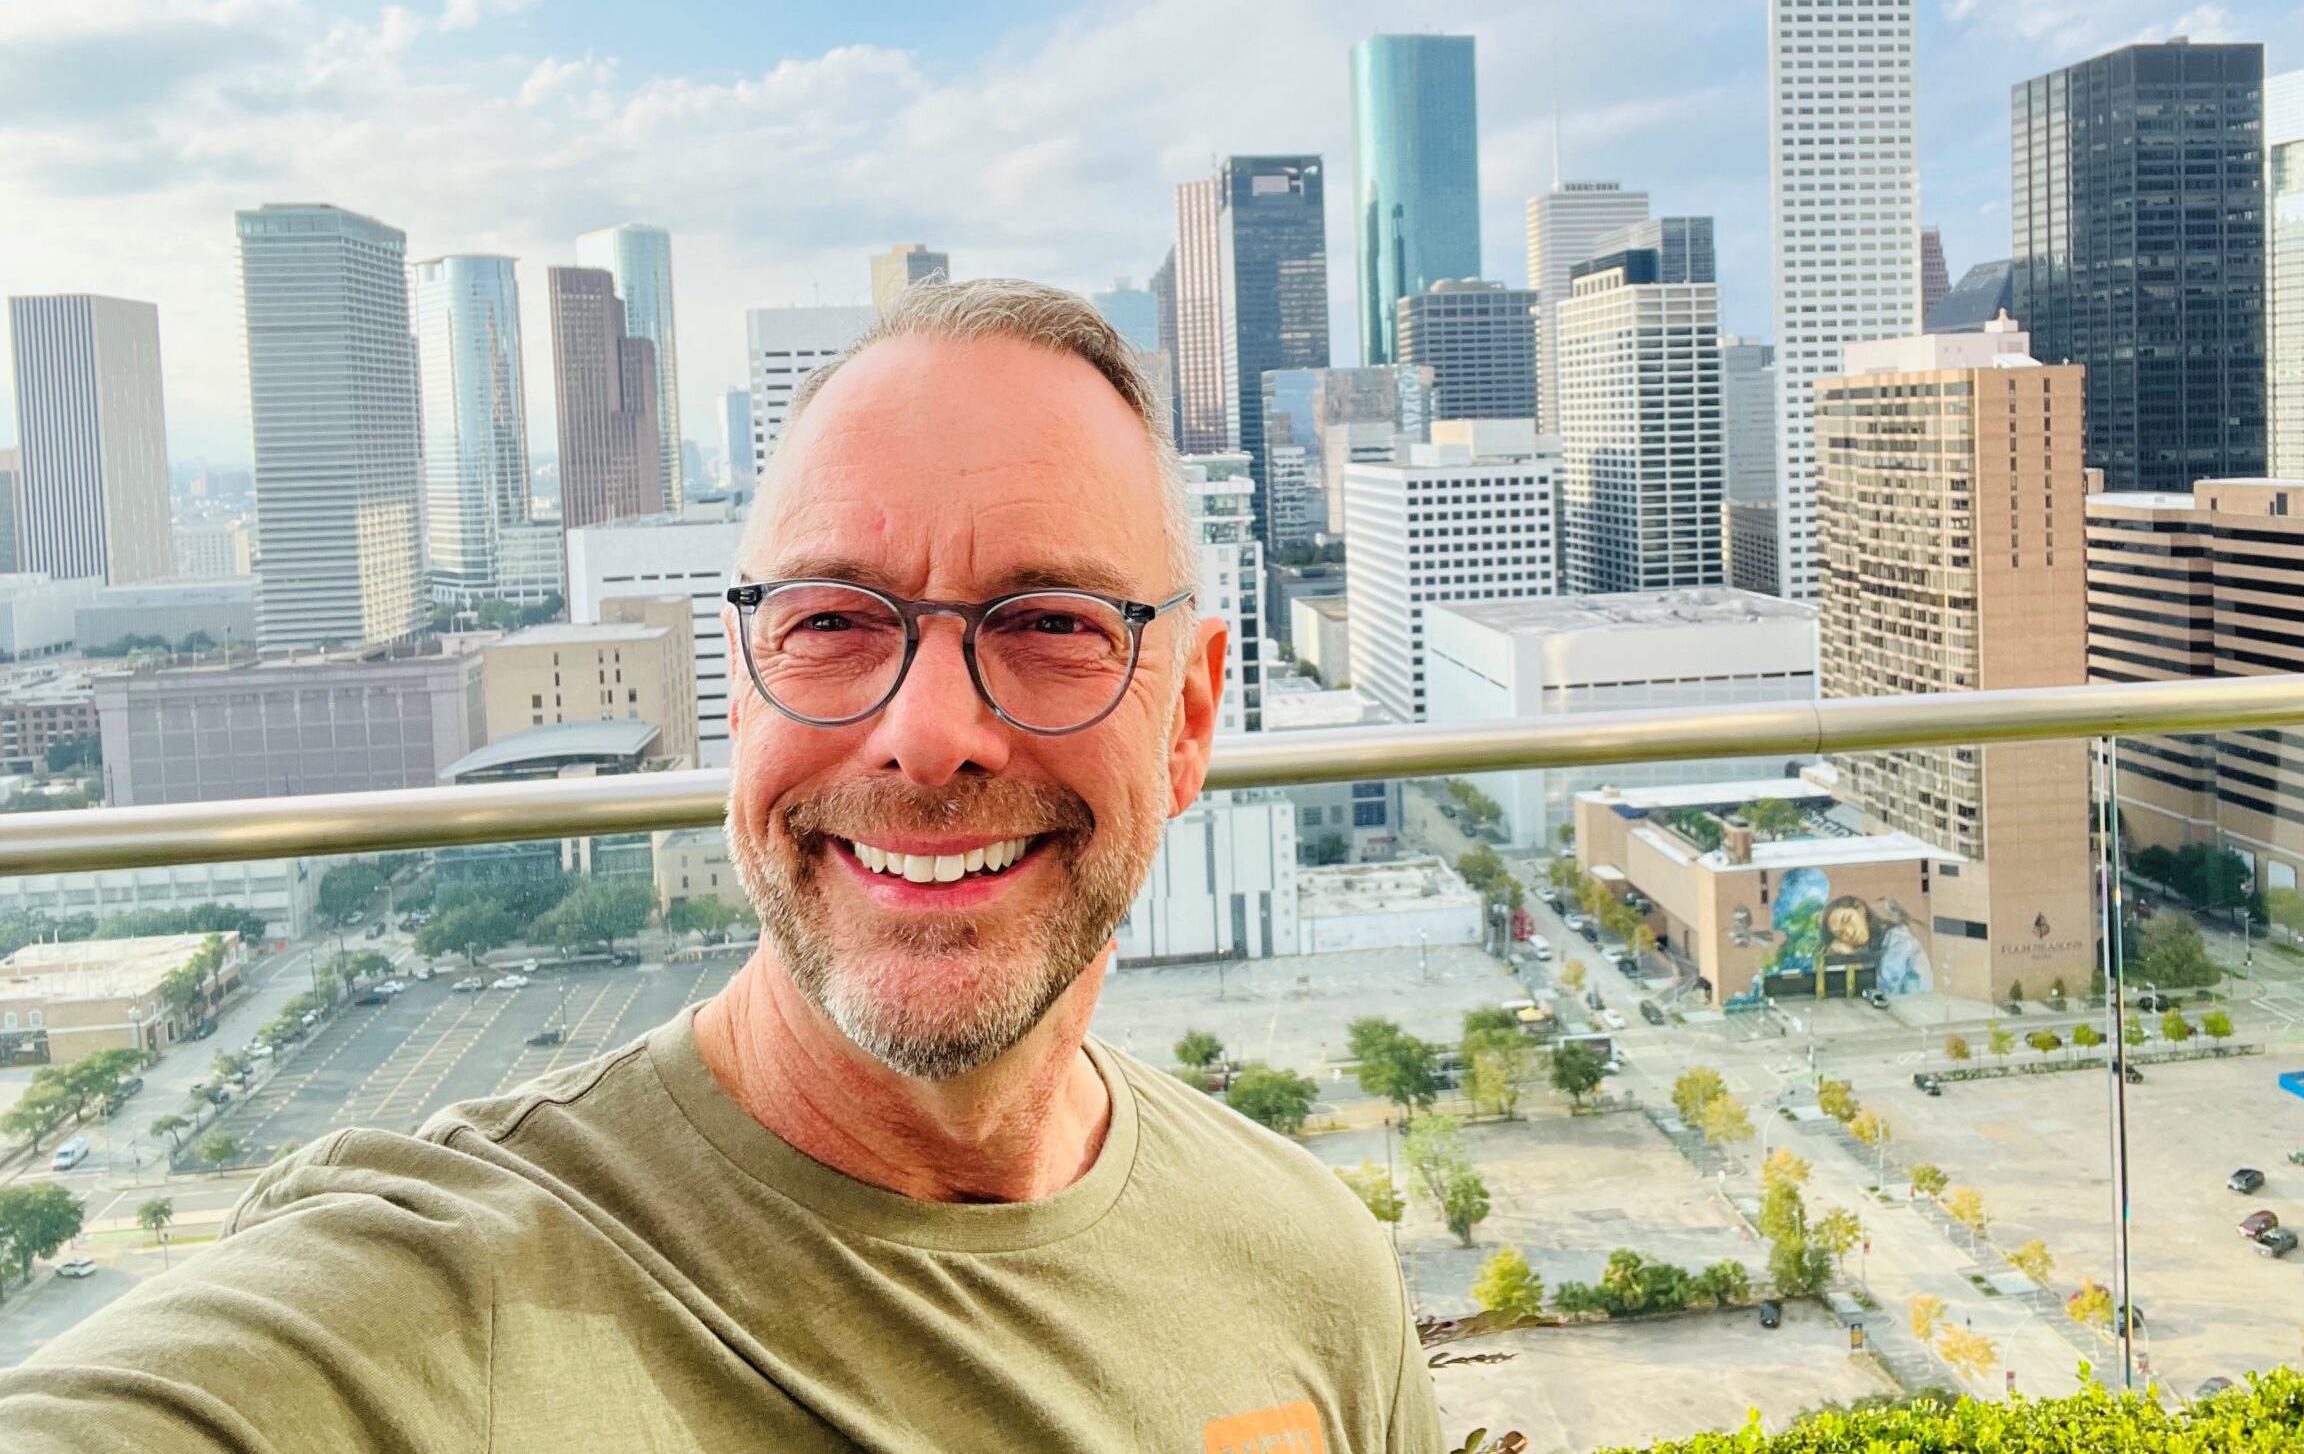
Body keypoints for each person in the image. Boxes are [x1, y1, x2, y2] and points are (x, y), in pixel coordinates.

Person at [1, 280, 1442, 1452]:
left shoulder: (1314, 1268)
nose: (926, 736)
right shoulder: (449, 1297)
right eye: (832, 623)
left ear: (1189, 719)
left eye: (1050, 621)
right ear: (744, 692)